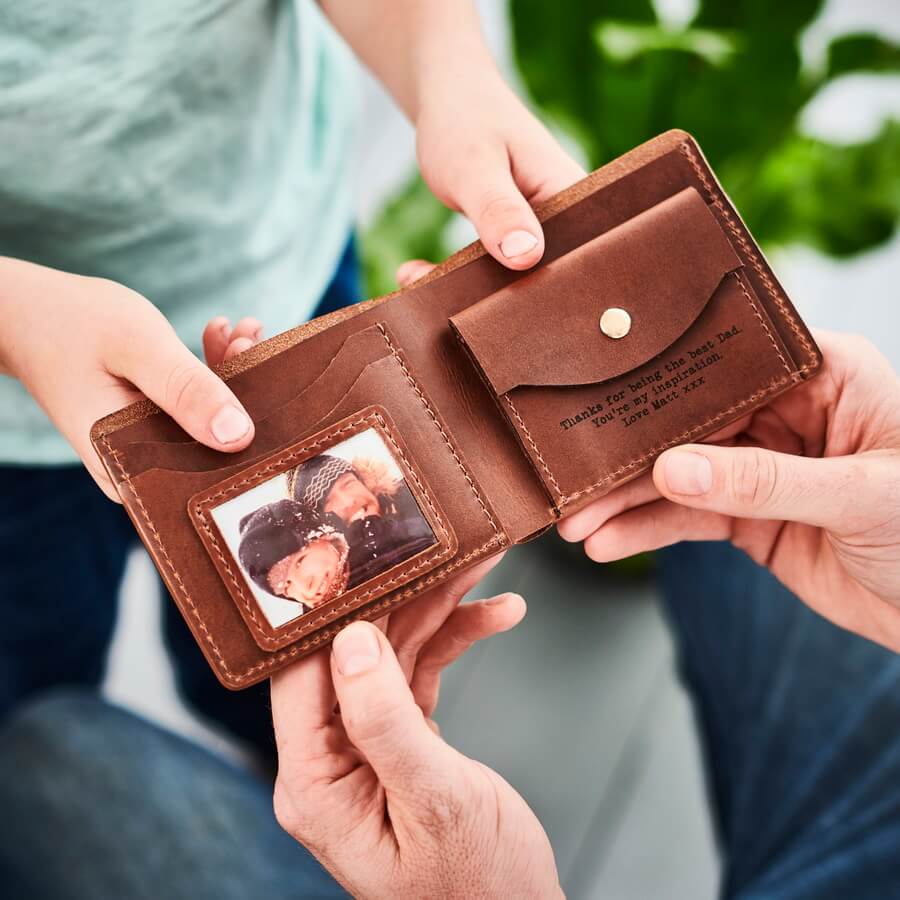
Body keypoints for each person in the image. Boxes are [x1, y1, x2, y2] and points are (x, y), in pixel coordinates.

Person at [2, 331, 899, 898]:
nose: (321, 575)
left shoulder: (357, 521)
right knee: (744, 419)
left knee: (44, 751)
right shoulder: (352, 525)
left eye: (311, 569)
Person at [0, 0, 584, 762]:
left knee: (297, 689)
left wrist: (450, 71)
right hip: (14, 440)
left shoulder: (356, 526)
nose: (313, 577)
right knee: (40, 711)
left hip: (286, 280)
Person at [289, 452, 437, 586]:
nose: (348, 502)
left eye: (348, 484)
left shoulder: (420, 498)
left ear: (364, 482)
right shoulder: (338, 578)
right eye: (328, 502)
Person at [237, 500, 350, 609]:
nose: (306, 590)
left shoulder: (364, 541)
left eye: (299, 562)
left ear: (321, 536)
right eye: (286, 587)